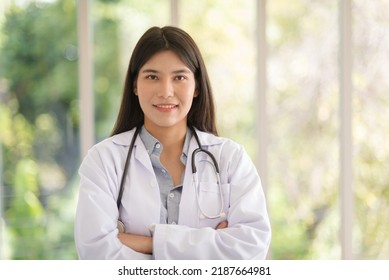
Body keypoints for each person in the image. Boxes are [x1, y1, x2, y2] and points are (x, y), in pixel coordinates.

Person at [74, 26, 271, 260]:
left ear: (196, 86)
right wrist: (210, 245)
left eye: (179, 77)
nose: (166, 91)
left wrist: (149, 243)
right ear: (135, 85)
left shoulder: (231, 158)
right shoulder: (104, 160)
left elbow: (251, 247)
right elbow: (96, 252)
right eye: (152, 77)